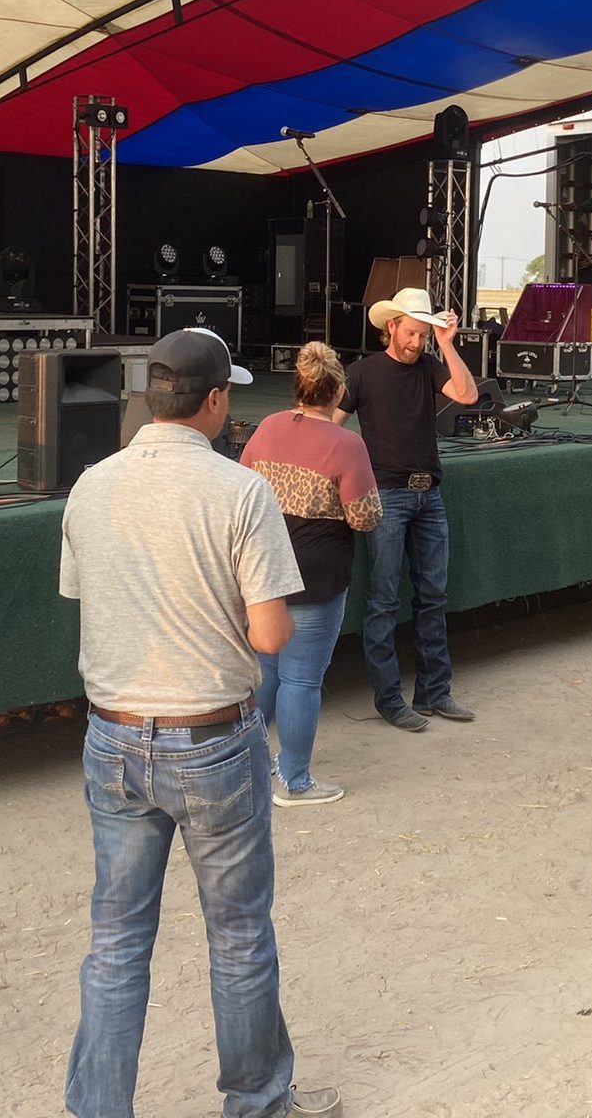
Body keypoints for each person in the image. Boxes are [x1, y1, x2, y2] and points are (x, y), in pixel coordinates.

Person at [59, 327, 340, 1118]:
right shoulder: (239, 490)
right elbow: (271, 636)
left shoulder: (91, 484)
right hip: (212, 737)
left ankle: (98, 1107)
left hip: (113, 733)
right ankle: (256, 1100)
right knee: (240, 934)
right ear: (215, 399)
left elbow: (85, 594)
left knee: (114, 943)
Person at [242, 341, 382, 805]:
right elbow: (364, 518)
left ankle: (249, 770)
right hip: (316, 573)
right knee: (302, 679)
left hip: (262, 570)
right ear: (338, 390)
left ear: (298, 386)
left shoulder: (266, 427)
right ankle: (296, 782)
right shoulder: (348, 443)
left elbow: (241, 488)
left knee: (265, 673)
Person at [334, 286, 478, 732]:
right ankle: (390, 699)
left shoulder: (431, 365)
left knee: (432, 595)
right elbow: (330, 428)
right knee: (384, 599)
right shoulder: (362, 374)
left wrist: (448, 343)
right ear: (391, 327)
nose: (418, 343)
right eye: (412, 334)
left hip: (428, 493)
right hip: (387, 496)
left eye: (424, 336)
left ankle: (435, 692)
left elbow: (468, 394)